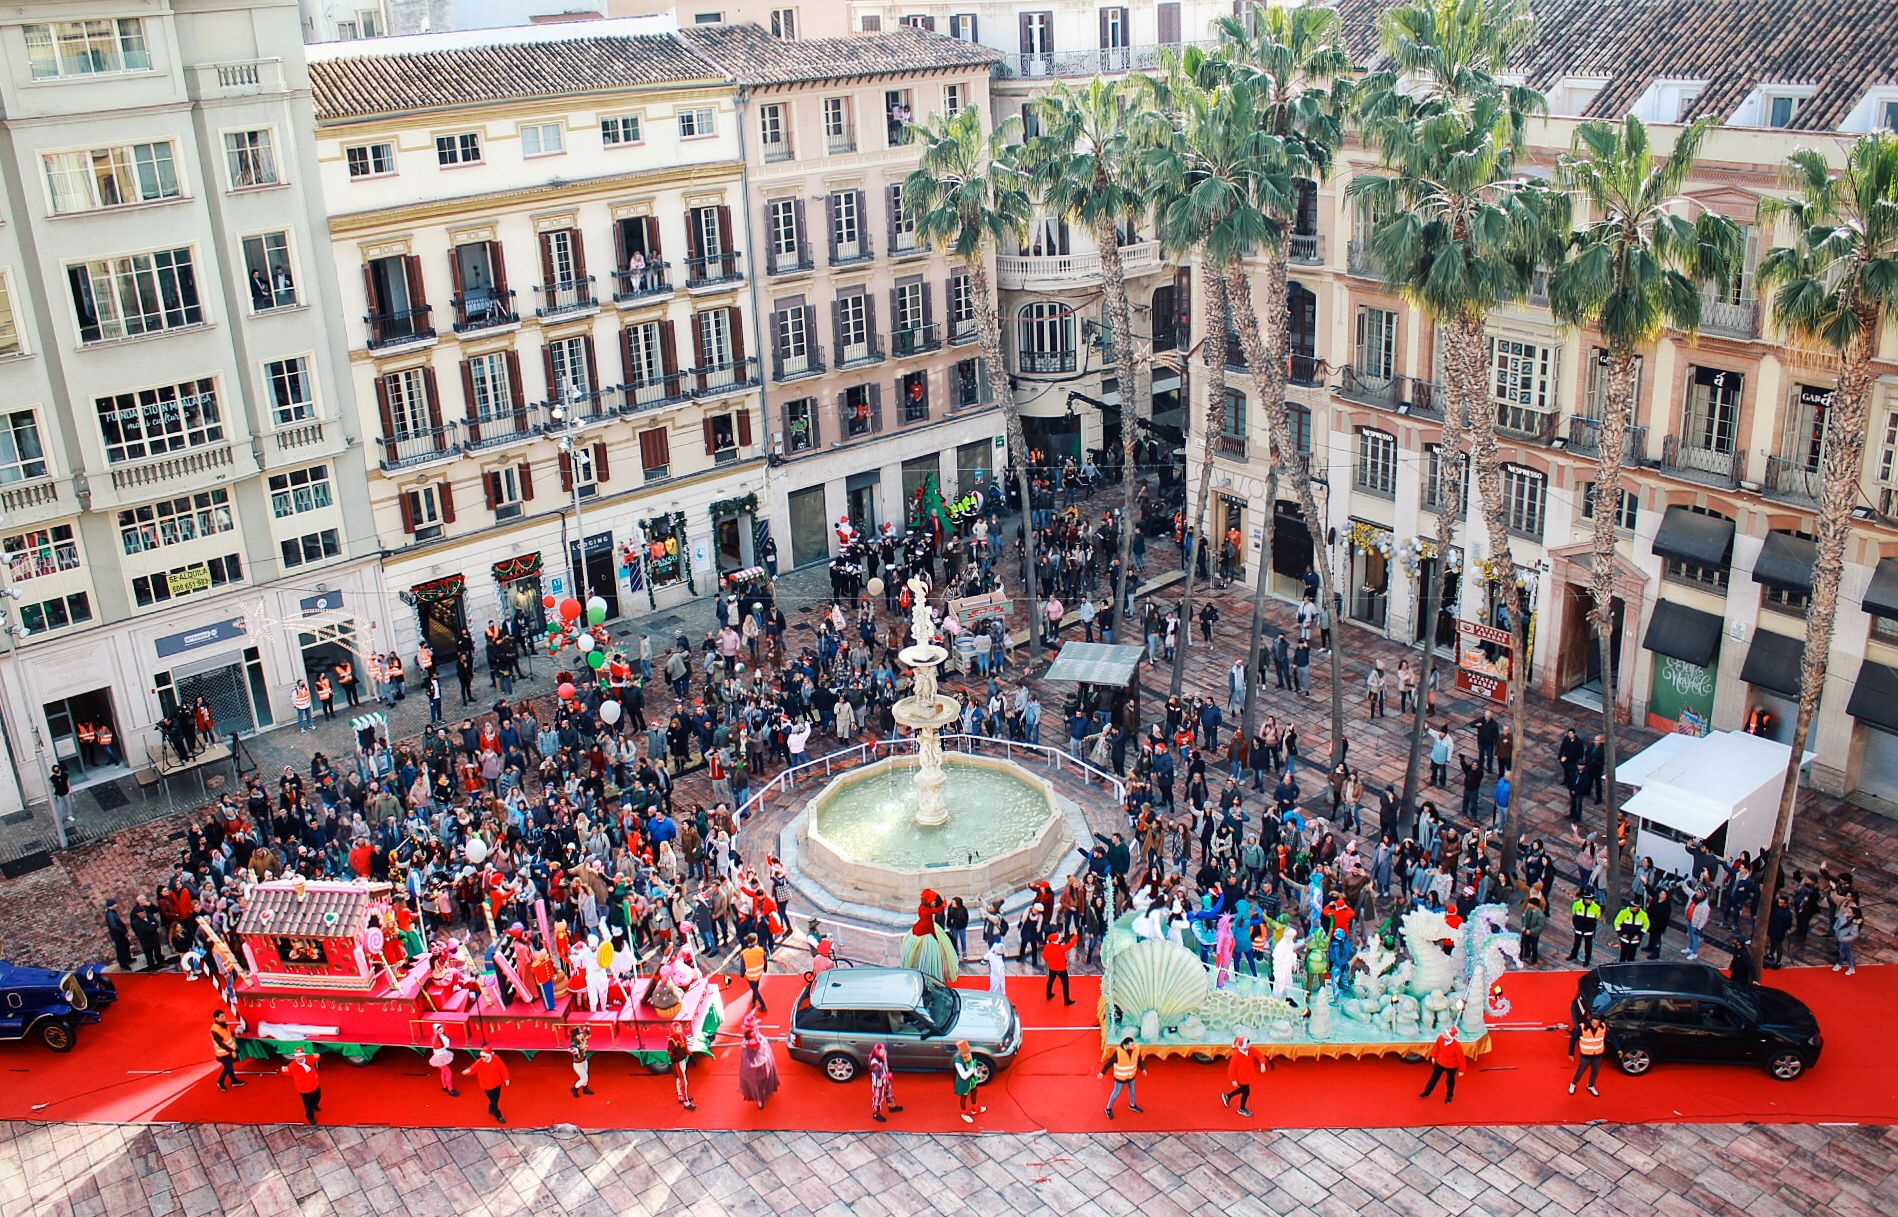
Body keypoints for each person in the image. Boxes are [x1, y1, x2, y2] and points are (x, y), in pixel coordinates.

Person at [737, 1011, 780, 1110]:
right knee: (758, 1086)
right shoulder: (746, 1048)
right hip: (755, 1071)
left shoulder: (758, 1038)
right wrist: (762, 1057)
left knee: (765, 1080)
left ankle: (763, 1096)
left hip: (763, 1067)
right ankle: (761, 1101)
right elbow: (751, 1062)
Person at [1099, 1035, 1145, 1118]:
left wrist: (1143, 1069)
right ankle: (1108, 1108)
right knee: (1116, 1092)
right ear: (1126, 1045)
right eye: (1132, 1045)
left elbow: (1139, 1060)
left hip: (1131, 1075)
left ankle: (1132, 1105)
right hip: (1120, 1077)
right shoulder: (1118, 1052)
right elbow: (1110, 1062)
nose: (1134, 1046)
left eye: (1134, 1044)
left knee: (1132, 1091)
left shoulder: (1136, 1049)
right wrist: (1102, 1072)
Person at [1222, 1035, 1267, 1118]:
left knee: (1243, 1090)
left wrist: (1262, 1063)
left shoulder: (1251, 1050)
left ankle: (1228, 1096)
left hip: (1249, 1075)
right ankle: (1241, 1108)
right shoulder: (1236, 1056)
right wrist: (1233, 1079)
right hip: (1242, 1077)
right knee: (1246, 1092)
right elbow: (1231, 1069)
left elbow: (1260, 1056)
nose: (1249, 1045)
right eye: (1247, 1044)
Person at [1418, 1024, 1463, 1104]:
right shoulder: (1440, 1038)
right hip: (1440, 1063)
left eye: (1445, 1034)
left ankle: (1450, 1095)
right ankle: (1426, 1092)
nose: (1443, 1035)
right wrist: (1433, 1056)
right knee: (1434, 1078)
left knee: (1450, 1081)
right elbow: (1436, 1047)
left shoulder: (1457, 1047)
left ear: (1450, 1037)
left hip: (1451, 1066)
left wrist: (1461, 1070)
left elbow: (1461, 1059)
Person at [463, 1047, 510, 1123]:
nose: (482, 1058)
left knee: (495, 1099)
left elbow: (502, 1068)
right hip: (487, 1085)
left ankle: (491, 1108)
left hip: (497, 1083)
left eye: (484, 1056)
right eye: (482, 1056)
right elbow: (473, 1068)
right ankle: (498, 1114)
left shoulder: (496, 1058)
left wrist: (506, 1078)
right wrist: (467, 1071)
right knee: (494, 1101)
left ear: (489, 1056)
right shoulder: (480, 1062)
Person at [1569, 1012, 1610, 1096]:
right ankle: (1573, 1084)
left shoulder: (1603, 1027)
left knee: (1595, 1071)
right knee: (1580, 1071)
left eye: (1597, 1023)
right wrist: (1571, 1053)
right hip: (1585, 1056)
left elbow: (1612, 1036)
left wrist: (1618, 1049)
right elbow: (1573, 1039)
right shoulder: (1583, 1028)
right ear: (1590, 1021)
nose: (1595, 1025)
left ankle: (1590, 1085)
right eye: (1594, 1023)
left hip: (1597, 1055)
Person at [283, 1049, 321, 1124]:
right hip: (304, 1090)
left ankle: (315, 1105)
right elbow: (286, 1072)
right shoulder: (292, 1066)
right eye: (298, 1057)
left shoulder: (309, 1058)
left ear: (304, 1056)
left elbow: (316, 1057)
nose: (300, 1058)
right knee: (308, 1105)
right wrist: (283, 1070)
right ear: (295, 1057)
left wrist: (318, 1055)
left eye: (301, 1056)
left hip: (314, 1084)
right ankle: (310, 1117)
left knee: (318, 1097)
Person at [953, 1040, 986, 1123]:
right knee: (964, 1097)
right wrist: (973, 1069)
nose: (967, 1055)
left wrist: (975, 1072)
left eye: (968, 1052)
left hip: (971, 1079)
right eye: (965, 1053)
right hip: (963, 1082)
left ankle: (974, 1108)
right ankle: (964, 1113)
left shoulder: (968, 1055)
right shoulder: (958, 1062)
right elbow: (964, 1076)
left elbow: (971, 1064)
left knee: (974, 1091)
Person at [868, 1042, 901, 1122]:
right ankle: (876, 1114)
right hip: (878, 1083)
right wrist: (888, 1076)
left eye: (884, 1050)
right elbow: (878, 1075)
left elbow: (886, 1066)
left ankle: (892, 1107)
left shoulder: (883, 1056)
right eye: (881, 1051)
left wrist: (888, 1077)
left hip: (885, 1080)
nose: (883, 1052)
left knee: (889, 1093)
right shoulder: (874, 1062)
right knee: (878, 1098)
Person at [210, 1011, 243, 1091]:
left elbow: (227, 1033)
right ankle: (220, 1082)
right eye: (222, 1017)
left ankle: (234, 1081)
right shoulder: (214, 1030)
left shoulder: (223, 1024)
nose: (224, 1018)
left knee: (230, 1066)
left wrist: (234, 1034)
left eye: (224, 1016)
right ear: (216, 1018)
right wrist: (232, 1051)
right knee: (228, 1067)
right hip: (223, 1053)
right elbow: (220, 1044)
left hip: (227, 1052)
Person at [667, 1022, 696, 1111]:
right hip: (678, 1062)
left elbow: (685, 1046)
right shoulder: (671, 1040)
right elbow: (671, 1053)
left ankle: (680, 1097)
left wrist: (689, 1053)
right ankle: (686, 1102)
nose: (680, 1030)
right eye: (678, 1029)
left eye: (680, 1028)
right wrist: (675, 1055)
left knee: (679, 1079)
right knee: (684, 1082)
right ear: (674, 1030)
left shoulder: (682, 1036)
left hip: (682, 1060)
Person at [1042, 930, 1075, 1005]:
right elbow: (1071, 944)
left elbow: (1044, 956)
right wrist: (1075, 936)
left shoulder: (1047, 946)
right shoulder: (1061, 948)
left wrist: (1049, 961)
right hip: (1062, 969)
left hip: (1052, 968)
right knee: (1065, 984)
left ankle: (1048, 994)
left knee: (1050, 981)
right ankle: (1066, 1000)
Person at [740, 933, 768, 1012]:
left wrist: (741, 975)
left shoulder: (744, 953)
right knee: (755, 989)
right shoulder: (760, 950)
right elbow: (765, 961)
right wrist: (765, 969)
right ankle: (753, 1001)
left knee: (755, 990)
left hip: (750, 975)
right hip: (758, 973)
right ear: (755, 941)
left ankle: (763, 1005)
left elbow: (742, 966)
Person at [104, 898, 132, 971]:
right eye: (115, 903)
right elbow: (114, 926)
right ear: (112, 905)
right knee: (121, 949)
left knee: (125, 946)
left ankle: (128, 959)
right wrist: (123, 931)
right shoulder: (110, 914)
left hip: (120, 934)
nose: (116, 904)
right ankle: (123, 964)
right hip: (118, 935)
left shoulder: (112, 912)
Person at [429, 1025, 458, 1096]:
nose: (441, 1029)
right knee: (448, 1073)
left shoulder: (436, 1037)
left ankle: (445, 1086)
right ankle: (450, 1089)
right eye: (439, 1028)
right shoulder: (438, 1038)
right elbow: (446, 1045)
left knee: (443, 1072)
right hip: (440, 1057)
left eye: (441, 1028)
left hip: (440, 1056)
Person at [569, 1027, 593, 1098]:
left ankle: (585, 1089)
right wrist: (575, 1052)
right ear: (575, 1036)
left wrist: (587, 1027)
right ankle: (574, 1089)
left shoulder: (581, 1038)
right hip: (578, 1064)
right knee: (584, 1078)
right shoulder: (574, 1044)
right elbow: (577, 1056)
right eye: (579, 1034)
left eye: (580, 1033)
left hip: (584, 1061)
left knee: (585, 1076)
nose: (581, 1035)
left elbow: (587, 1034)